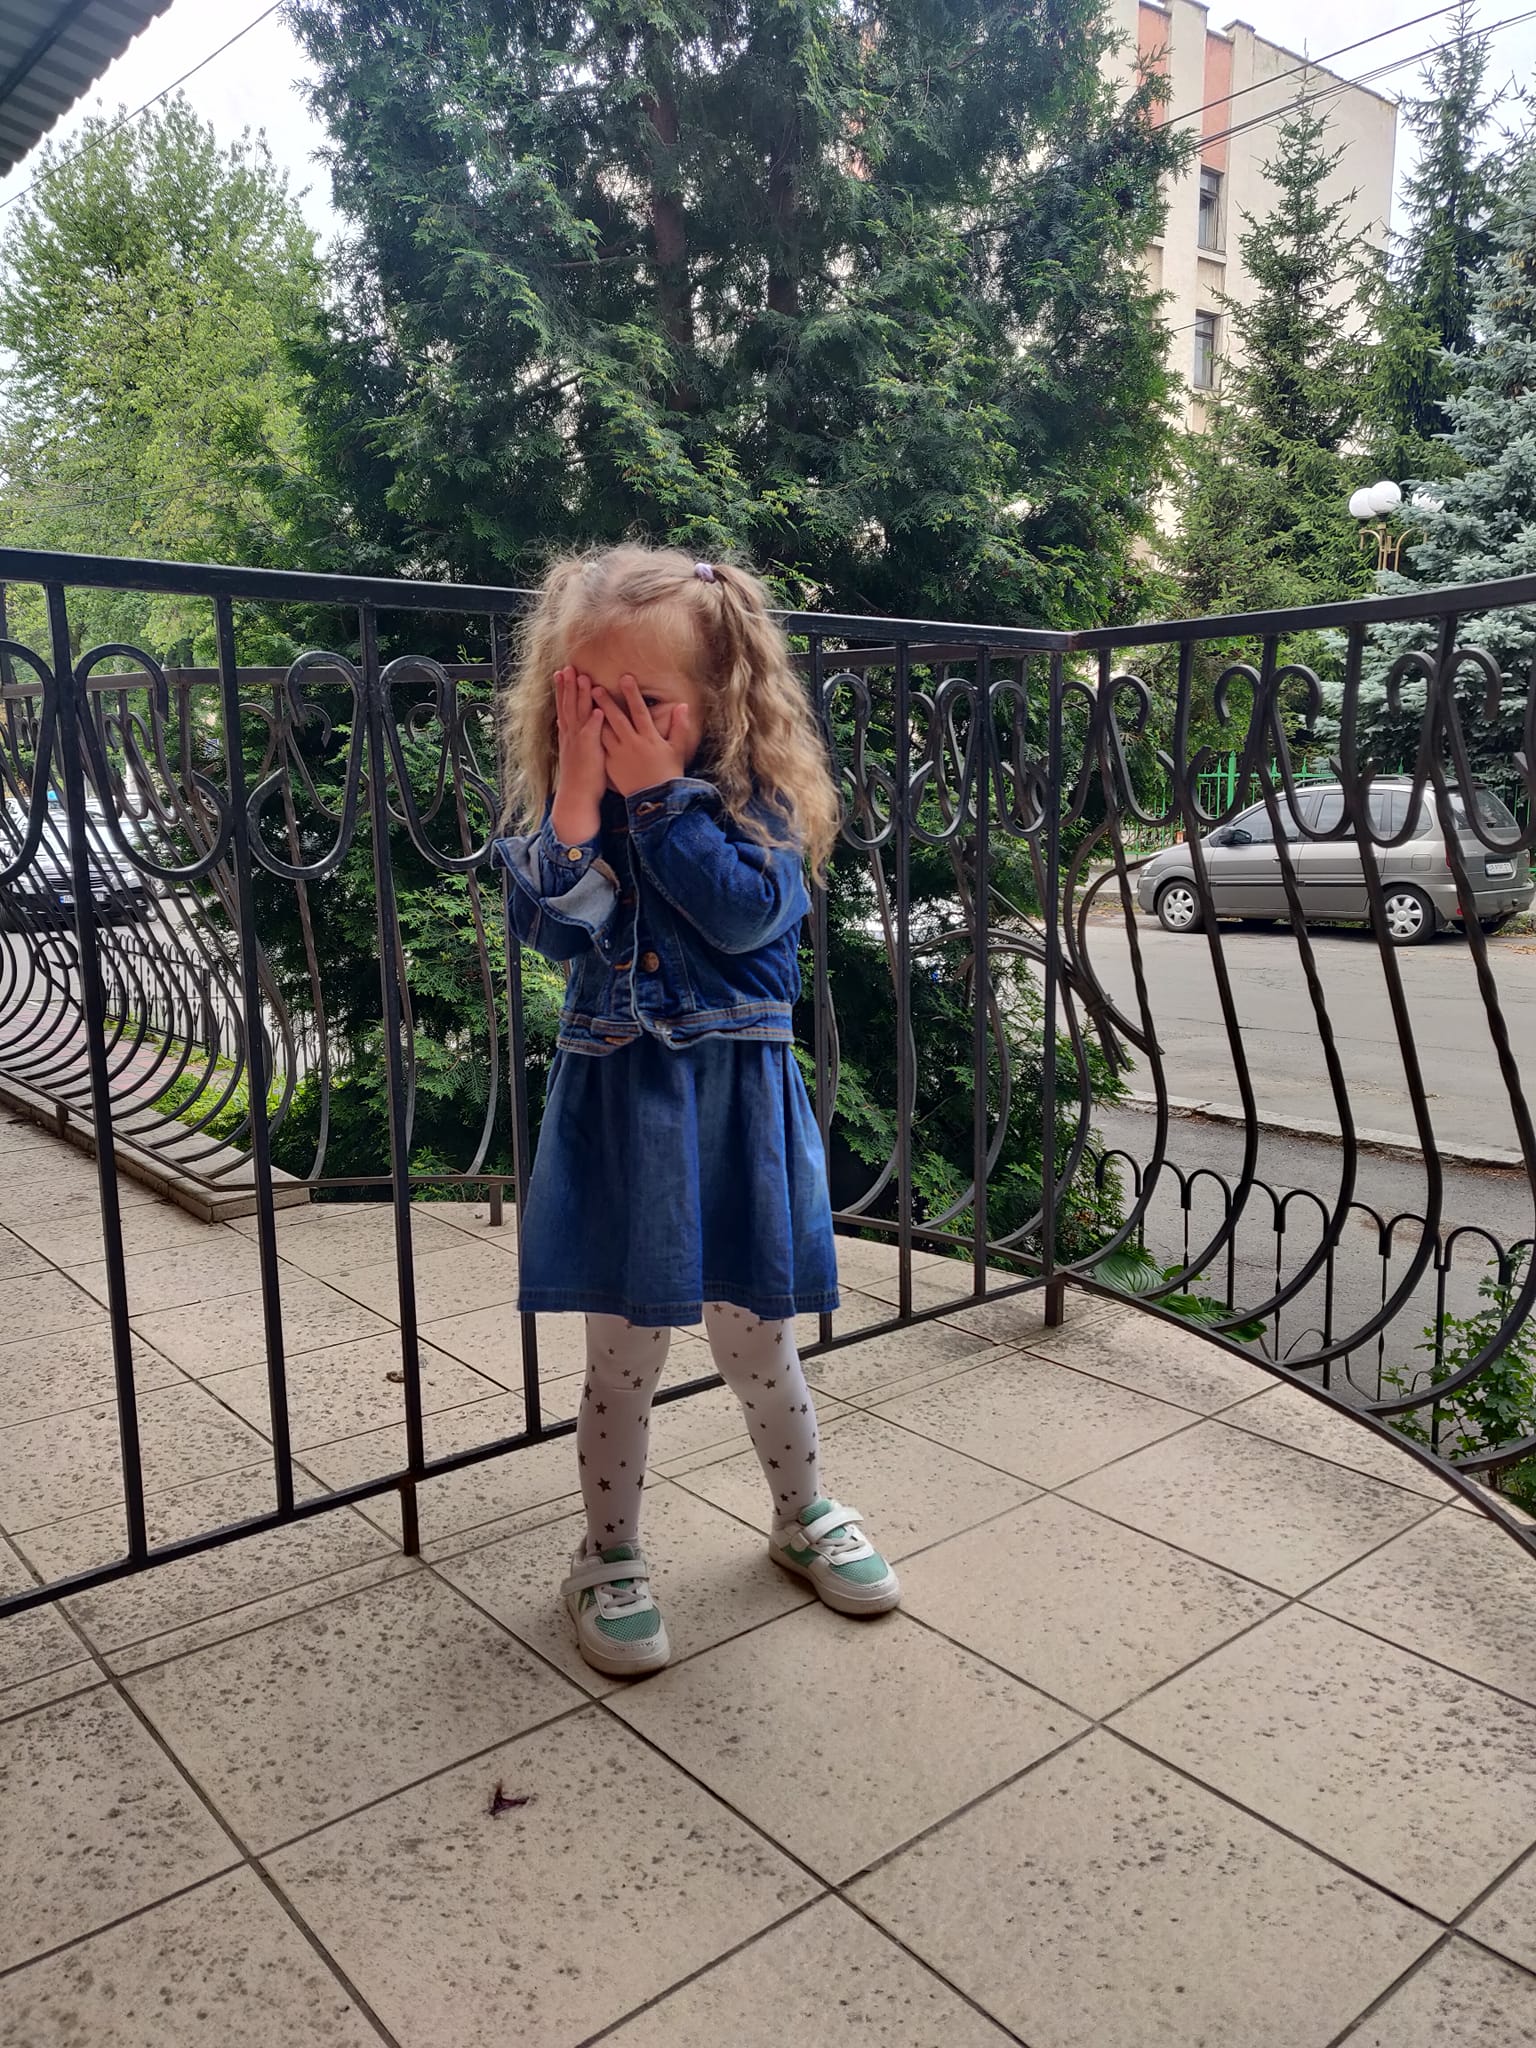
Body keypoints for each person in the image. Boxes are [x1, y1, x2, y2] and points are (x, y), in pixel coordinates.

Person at [494, 545, 899, 1678]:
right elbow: (553, 931)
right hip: (624, 1110)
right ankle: (608, 1552)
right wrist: (579, 802)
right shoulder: (581, 816)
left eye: (646, 703)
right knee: (622, 1356)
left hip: (734, 1113)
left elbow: (742, 916)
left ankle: (802, 1511)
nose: (615, 724)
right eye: (590, 700)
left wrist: (658, 797)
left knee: (756, 1339)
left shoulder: (756, 807)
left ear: (721, 699)